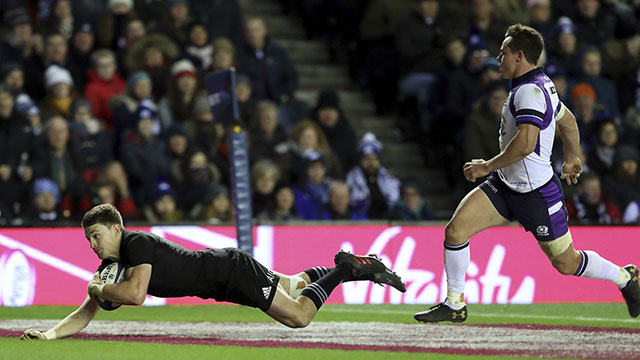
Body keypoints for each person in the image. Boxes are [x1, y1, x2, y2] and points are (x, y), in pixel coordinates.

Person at [414, 24, 640, 323]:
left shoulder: (530, 92)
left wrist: (485, 166)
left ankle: (625, 277)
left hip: (536, 194)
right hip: (506, 186)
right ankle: (455, 303)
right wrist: (572, 156)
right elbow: (568, 120)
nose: (498, 58)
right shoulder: (539, 84)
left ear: (519, 56)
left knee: (566, 263)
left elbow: (525, 144)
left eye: (503, 53)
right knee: (455, 231)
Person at [20, 203, 405, 340]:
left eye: (97, 235)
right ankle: (359, 268)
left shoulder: (135, 244)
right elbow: (88, 307)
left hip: (229, 271)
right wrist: (51, 334)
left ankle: (345, 269)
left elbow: (135, 295)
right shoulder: (111, 266)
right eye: (89, 239)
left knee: (299, 317)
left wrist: (100, 291)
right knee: (295, 283)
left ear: (117, 229)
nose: (93, 244)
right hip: (222, 279)